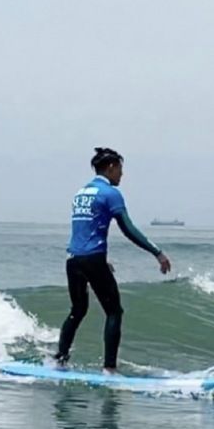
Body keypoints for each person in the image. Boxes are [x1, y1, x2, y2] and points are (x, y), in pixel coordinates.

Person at [54, 147, 171, 373]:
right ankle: (109, 369)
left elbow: (85, 229)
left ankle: (60, 360)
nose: (121, 175)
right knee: (114, 312)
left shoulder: (81, 193)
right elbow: (127, 228)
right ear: (110, 167)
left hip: (74, 259)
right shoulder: (110, 194)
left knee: (77, 310)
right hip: (92, 259)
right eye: (120, 169)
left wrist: (99, 258)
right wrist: (157, 252)